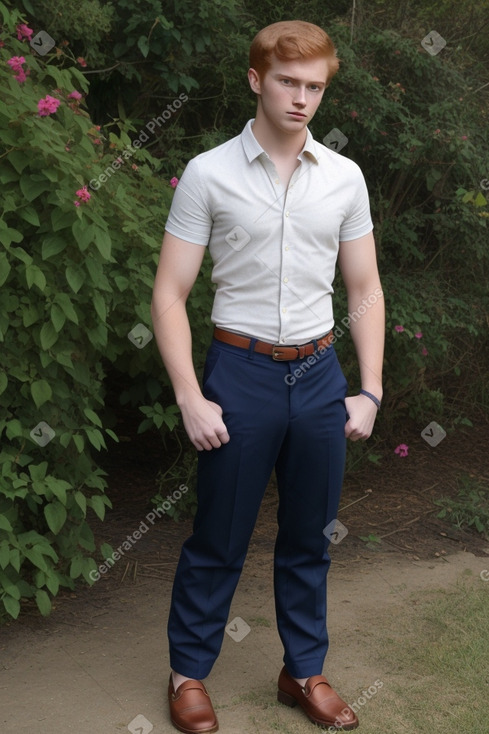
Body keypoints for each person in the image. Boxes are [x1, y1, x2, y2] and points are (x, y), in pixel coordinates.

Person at [151, 19, 384, 734]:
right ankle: (188, 674)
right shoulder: (209, 173)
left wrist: (369, 388)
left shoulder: (343, 177)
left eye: (314, 87)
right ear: (257, 80)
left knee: (310, 536)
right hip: (238, 372)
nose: (301, 99)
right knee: (219, 536)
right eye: (288, 82)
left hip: (318, 374)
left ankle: (301, 671)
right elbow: (168, 293)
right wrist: (191, 396)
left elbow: (365, 290)